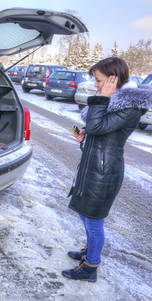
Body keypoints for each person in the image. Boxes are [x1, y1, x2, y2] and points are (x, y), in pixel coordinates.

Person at [63, 57, 152, 282]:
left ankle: (90, 266)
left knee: (93, 221)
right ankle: (89, 251)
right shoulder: (113, 103)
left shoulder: (130, 108)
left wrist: (102, 99)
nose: (95, 84)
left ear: (113, 80)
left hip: (104, 172)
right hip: (93, 166)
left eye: (98, 80)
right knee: (85, 215)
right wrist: (84, 135)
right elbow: (96, 130)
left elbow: (98, 125)